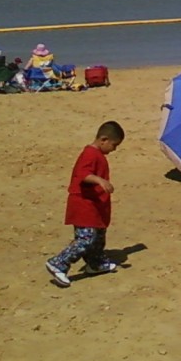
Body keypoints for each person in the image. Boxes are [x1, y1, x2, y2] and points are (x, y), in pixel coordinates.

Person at [45, 120, 126, 288]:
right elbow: (83, 174)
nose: (114, 149)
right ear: (103, 140)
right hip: (84, 204)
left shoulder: (97, 155)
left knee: (98, 238)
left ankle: (95, 263)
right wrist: (99, 180)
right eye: (114, 145)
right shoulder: (89, 154)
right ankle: (59, 263)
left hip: (95, 205)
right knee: (86, 239)